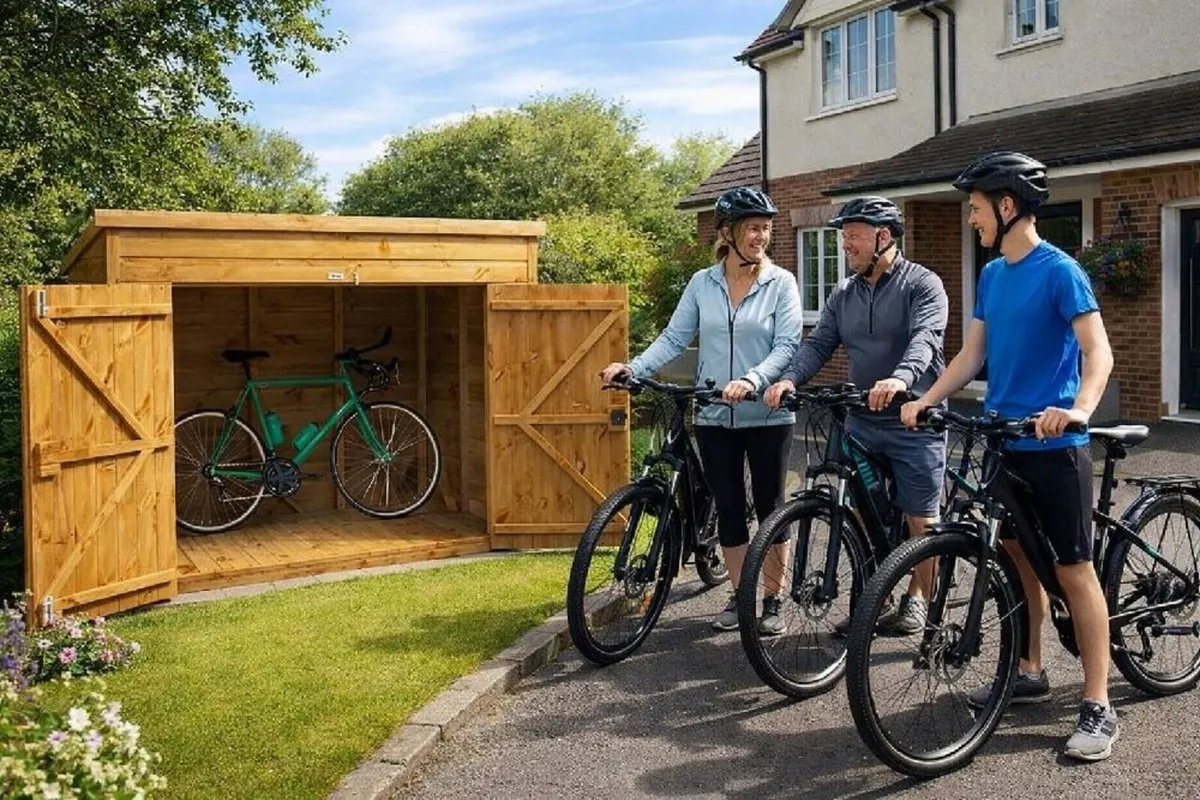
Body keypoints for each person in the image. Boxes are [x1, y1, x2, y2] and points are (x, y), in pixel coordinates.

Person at [900, 150, 1117, 762]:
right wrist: (927, 399)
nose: (970, 218)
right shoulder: (993, 275)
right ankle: (1030, 668)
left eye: (975, 208)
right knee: (1017, 555)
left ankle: (1098, 704)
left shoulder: (1061, 272)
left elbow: (1098, 352)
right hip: (1005, 440)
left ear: (1007, 205)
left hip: (1055, 444)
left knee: (1073, 570)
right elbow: (973, 356)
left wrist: (1078, 408)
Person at [600, 186, 803, 634]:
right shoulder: (702, 283)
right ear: (728, 233)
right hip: (713, 413)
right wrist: (633, 368)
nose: (761, 236)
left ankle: (773, 598)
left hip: (767, 414)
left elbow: (788, 345)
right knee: (728, 508)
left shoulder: (781, 283)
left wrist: (753, 380)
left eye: (765, 228)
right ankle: (740, 596)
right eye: (752, 228)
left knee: (770, 507)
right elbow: (675, 338)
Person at [764, 196, 949, 636]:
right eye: (843, 237)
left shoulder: (922, 284)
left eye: (853, 236)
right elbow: (818, 343)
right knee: (861, 516)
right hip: (861, 421)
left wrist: (901, 378)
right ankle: (874, 603)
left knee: (921, 521)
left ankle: (923, 604)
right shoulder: (844, 293)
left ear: (883, 237)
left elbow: (926, 338)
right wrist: (790, 379)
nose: (845, 245)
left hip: (912, 420)